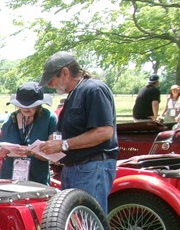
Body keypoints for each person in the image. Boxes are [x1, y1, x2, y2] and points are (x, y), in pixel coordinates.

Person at [33, 51, 118, 212]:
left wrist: (63, 145)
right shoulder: (75, 93)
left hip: (91, 167)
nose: (50, 85)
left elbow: (104, 132)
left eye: (51, 79)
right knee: (76, 220)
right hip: (76, 167)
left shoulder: (94, 89)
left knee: (89, 219)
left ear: (65, 73)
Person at [0, 82, 57, 185]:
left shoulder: (50, 118)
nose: (26, 108)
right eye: (22, 104)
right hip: (9, 179)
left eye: (31, 105)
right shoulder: (11, 118)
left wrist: (32, 152)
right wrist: (1, 151)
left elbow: (54, 155)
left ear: (39, 104)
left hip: (36, 180)